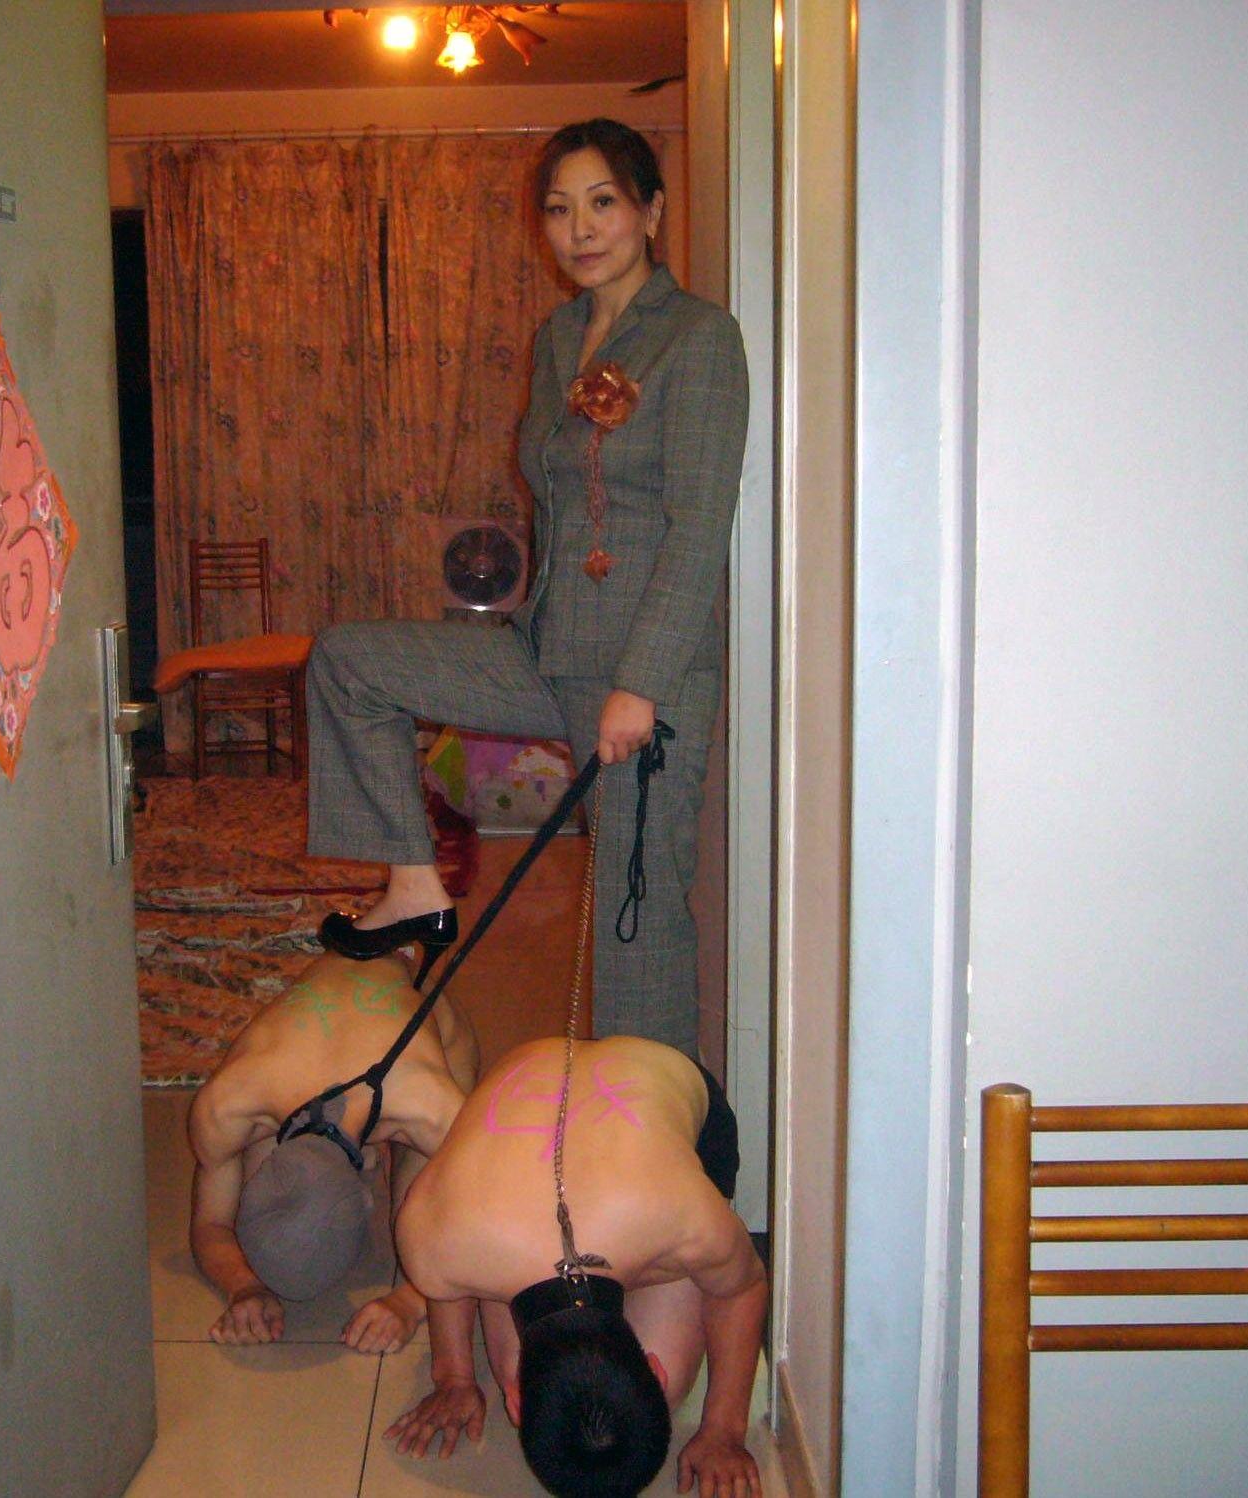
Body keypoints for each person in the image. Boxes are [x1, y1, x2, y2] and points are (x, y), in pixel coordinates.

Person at [305, 118, 750, 1054]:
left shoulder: (698, 339)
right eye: (559, 209)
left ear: (651, 212)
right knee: (349, 663)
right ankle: (415, 888)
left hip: (638, 678)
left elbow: (699, 526)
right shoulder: (560, 337)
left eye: (603, 203)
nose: (580, 229)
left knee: (634, 916)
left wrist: (642, 683)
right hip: (545, 647)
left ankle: (648, 1125)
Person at [385, 1035, 766, 1498]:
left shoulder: (687, 1223)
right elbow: (449, 1280)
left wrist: (724, 1428)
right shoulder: (437, 1244)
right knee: (483, 1270)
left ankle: (537, 1288)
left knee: (700, 1269)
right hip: (547, 1086)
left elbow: (742, 1287)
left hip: (638, 1083)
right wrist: (455, 1377)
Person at [187, 950, 478, 1352]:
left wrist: (410, 1301)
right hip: (331, 999)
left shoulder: (431, 1109)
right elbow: (211, 1224)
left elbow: (491, 1226)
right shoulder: (227, 1105)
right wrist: (243, 1285)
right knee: (290, 1223)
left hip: (413, 992)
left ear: (366, 1195)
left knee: (414, 1222)